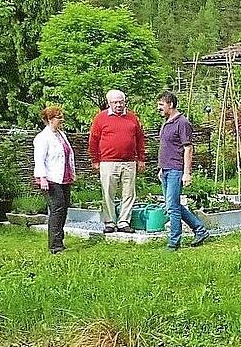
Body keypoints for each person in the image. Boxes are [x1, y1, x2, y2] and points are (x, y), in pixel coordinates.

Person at [157, 91, 210, 250]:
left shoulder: (182, 123)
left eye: (161, 105)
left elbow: (188, 148)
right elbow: (167, 147)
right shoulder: (167, 122)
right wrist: (161, 168)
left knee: (172, 207)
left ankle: (174, 242)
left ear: (171, 105)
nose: (158, 108)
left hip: (176, 169)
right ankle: (200, 230)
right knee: (172, 204)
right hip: (166, 169)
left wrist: (187, 173)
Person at [88, 90, 146, 233]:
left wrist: (141, 159)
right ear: (109, 103)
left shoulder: (132, 118)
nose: (119, 105)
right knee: (108, 193)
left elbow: (140, 139)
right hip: (108, 162)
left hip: (129, 162)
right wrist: (95, 160)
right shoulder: (100, 118)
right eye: (115, 102)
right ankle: (110, 222)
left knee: (129, 193)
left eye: (121, 101)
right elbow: (93, 140)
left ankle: (124, 222)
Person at [33, 105, 76, 254]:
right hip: (50, 179)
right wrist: (42, 178)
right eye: (59, 117)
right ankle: (55, 245)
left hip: (64, 177)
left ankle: (60, 240)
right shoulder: (42, 138)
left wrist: (72, 173)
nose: (61, 119)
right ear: (50, 120)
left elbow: (68, 155)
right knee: (57, 209)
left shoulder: (61, 135)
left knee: (63, 209)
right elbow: (39, 159)